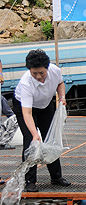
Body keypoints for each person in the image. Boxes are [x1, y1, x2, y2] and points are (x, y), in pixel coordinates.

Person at [12, 49, 71, 192]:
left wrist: (62, 97)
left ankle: (56, 177)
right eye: (34, 73)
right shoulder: (26, 83)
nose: (38, 76)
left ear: (47, 68)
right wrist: (34, 134)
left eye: (41, 73)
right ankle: (30, 181)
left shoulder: (55, 71)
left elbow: (60, 84)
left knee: (50, 138)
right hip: (25, 107)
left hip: (45, 105)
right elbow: (27, 113)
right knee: (30, 141)